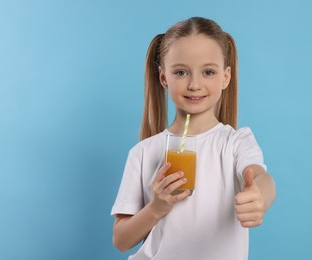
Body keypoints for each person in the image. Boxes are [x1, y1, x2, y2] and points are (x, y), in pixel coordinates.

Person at [111, 17, 276, 259]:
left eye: (208, 72)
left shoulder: (236, 143)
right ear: (163, 78)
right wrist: (156, 208)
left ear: (225, 77)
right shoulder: (144, 152)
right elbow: (121, 240)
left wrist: (259, 196)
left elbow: (260, 176)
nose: (194, 84)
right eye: (181, 72)